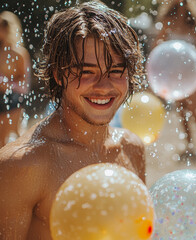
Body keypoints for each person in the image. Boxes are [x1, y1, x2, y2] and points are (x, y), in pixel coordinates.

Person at [0, 1, 146, 239]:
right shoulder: (22, 165)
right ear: (58, 74)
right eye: (87, 71)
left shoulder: (132, 149)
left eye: (116, 70)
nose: (103, 86)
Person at [154, 0, 196, 159]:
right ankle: (189, 145)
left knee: (193, 110)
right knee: (181, 112)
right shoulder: (167, 21)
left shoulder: (194, 24)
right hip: (173, 76)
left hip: (190, 75)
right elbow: (157, 45)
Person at [0, 11, 31, 148]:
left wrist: (8, 84)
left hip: (14, 98)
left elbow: (25, 84)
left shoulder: (20, 53)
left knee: (12, 135)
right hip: (2, 96)